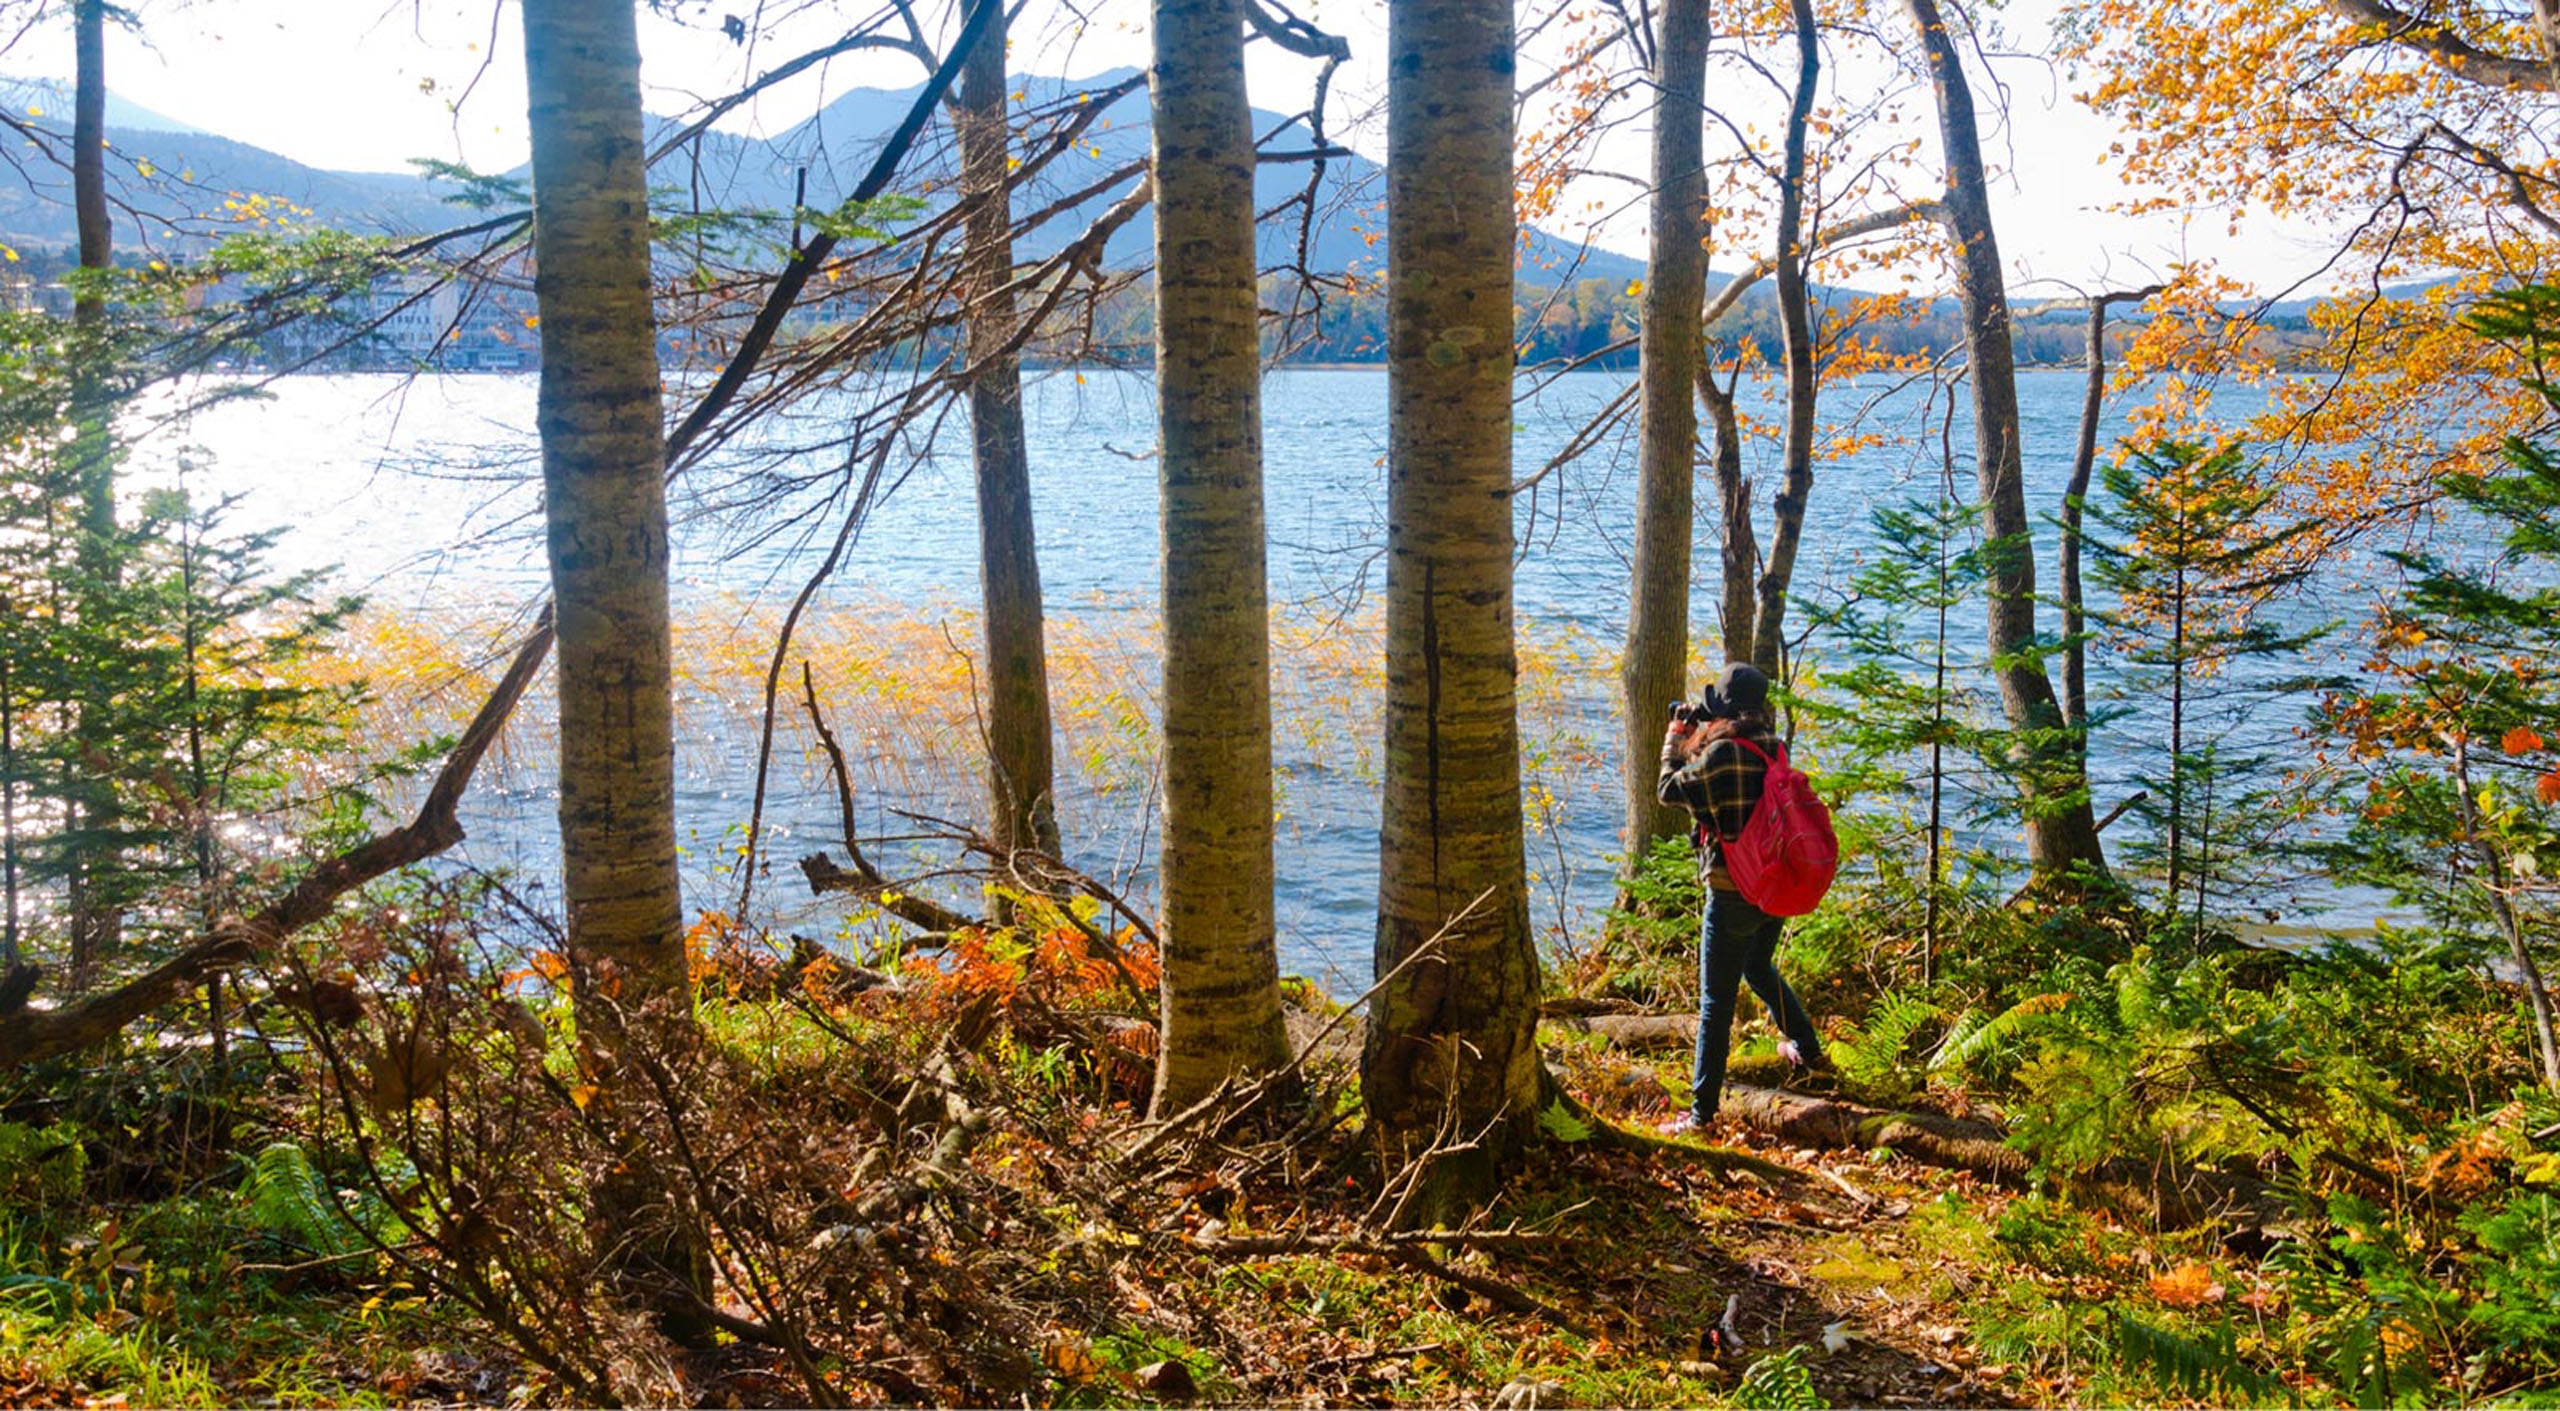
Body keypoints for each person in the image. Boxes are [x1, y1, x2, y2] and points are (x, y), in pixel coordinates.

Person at [1654, 662, 1828, 1135]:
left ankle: (1700, 1116)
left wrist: (1676, 737)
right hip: (1773, 889)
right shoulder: (1774, 747)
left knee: (1716, 1004)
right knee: (1758, 968)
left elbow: (1668, 790)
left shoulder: (1724, 754)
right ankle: (1810, 1053)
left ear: (1725, 711)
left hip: (1733, 894)